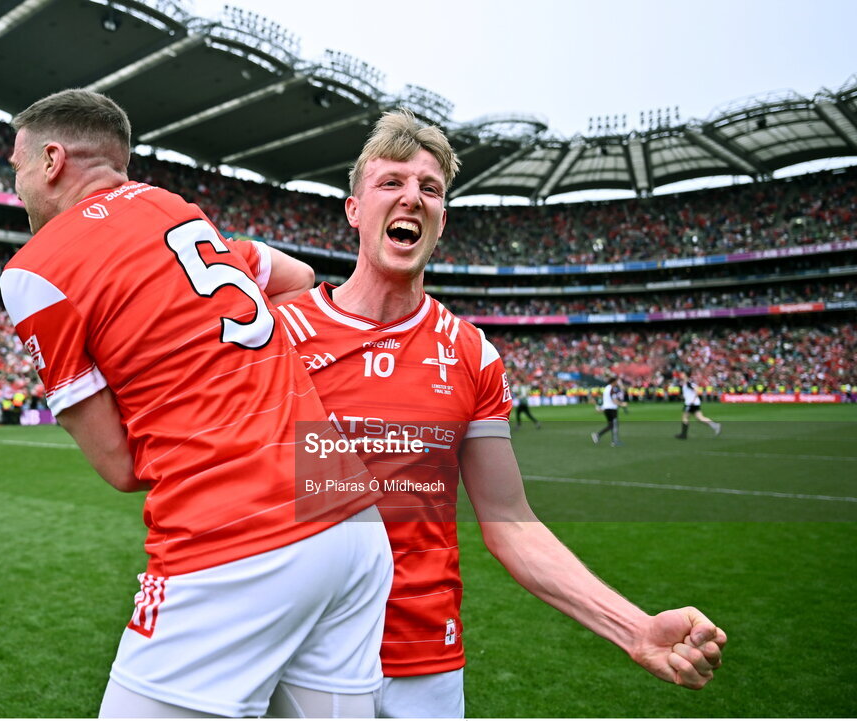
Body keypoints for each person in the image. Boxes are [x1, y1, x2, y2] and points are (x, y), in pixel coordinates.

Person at [274, 110, 725, 718]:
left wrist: (635, 628)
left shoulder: (470, 353)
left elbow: (510, 521)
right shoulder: (280, 333)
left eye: (430, 189)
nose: (412, 197)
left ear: (442, 221)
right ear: (354, 209)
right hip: (301, 655)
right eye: (391, 183)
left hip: (425, 659)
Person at [0, 89, 392, 718]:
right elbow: (297, 282)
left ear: (51, 161)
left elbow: (122, 467)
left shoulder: (34, 268)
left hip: (234, 536)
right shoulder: (180, 210)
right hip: (351, 520)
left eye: (16, 168)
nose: (16, 187)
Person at [676, 373, 722, 439]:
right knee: (700, 418)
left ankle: (683, 435)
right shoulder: (686, 383)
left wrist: (693, 400)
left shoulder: (688, 382)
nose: (681, 375)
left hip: (690, 403)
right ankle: (715, 425)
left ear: (686, 375)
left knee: (685, 417)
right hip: (694, 403)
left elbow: (696, 390)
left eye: (682, 374)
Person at [591, 376, 627, 447]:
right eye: (616, 382)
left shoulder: (607, 388)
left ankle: (597, 435)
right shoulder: (612, 389)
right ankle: (615, 441)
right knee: (614, 425)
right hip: (612, 409)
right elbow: (614, 400)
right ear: (613, 382)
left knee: (611, 425)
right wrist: (622, 404)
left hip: (606, 408)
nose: (617, 383)